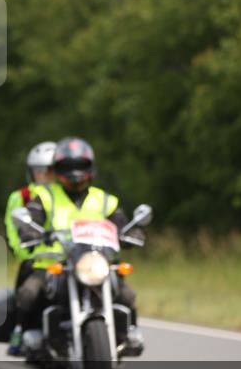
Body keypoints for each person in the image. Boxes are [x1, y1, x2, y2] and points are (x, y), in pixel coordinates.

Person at [16, 137, 145, 355]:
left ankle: (128, 335)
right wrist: (30, 231)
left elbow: (122, 223)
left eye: (80, 166)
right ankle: (27, 337)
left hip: (95, 261)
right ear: (57, 169)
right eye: (68, 167)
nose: (74, 173)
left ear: (90, 168)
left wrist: (132, 232)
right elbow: (32, 218)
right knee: (28, 293)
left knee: (126, 295)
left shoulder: (104, 200)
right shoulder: (45, 196)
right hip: (54, 263)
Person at [3, 141, 57, 356]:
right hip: (38, 260)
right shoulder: (22, 197)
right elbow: (13, 230)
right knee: (27, 293)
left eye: (49, 172)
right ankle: (19, 329)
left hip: (73, 258)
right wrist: (28, 251)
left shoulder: (67, 197)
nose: (44, 177)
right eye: (39, 172)